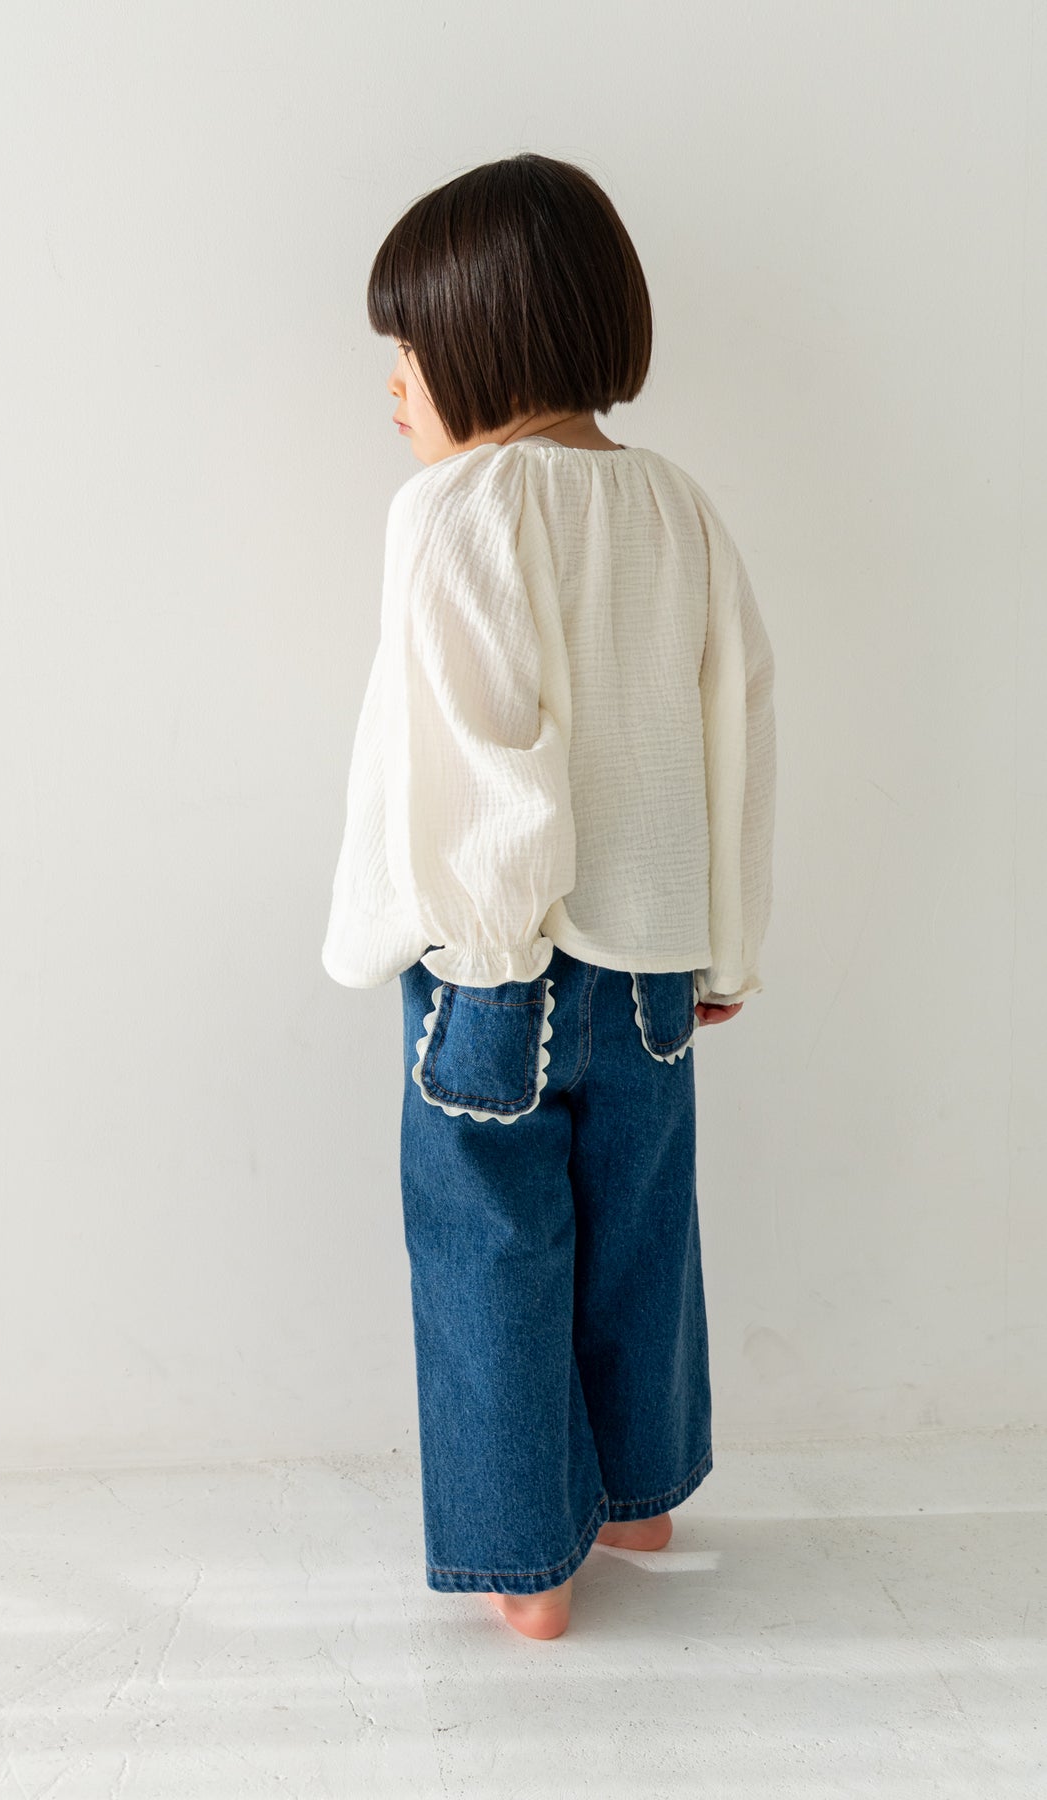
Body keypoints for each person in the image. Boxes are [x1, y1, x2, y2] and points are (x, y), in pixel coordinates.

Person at [321, 153, 777, 1640]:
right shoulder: (676, 507)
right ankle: (637, 1498)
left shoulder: (456, 508)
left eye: (406, 352)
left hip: (495, 958)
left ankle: (527, 1563)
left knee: (490, 1255)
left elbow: (481, 751)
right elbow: (737, 725)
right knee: (640, 1230)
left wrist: (492, 950)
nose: (393, 390)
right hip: (652, 964)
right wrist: (726, 941)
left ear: (488, 338)